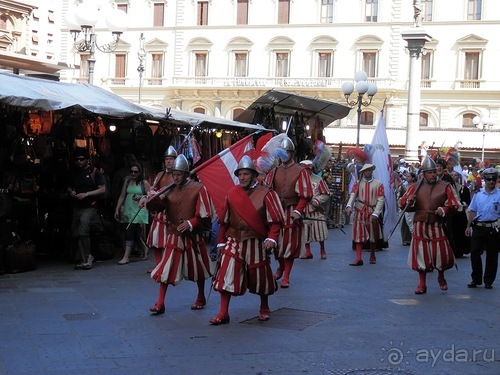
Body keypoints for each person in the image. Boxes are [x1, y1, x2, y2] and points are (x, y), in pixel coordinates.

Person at [210, 156, 284, 325]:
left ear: (253, 174)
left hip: (256, 241)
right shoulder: (232, 193)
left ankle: (264, 307)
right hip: (234, 239)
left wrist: (272, 238)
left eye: (245, 174)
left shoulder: (267, 193)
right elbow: (224, 221)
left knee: (260, 276)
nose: (242, 177)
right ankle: (223, 312)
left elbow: (276, 221)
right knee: (226, 274)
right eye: (240, 174)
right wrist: (221, 241)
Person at [149, 154, 214, 315]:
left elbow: (206, 214)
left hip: (193, 235)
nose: (176, 177)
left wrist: (192, 222)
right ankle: (160, 302)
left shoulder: (199, 188)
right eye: (174, 174)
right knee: (166, 268)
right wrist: (149, 200)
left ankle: (200, 296)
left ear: (186, 174)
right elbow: (159, 206)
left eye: (179, 174)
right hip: (174, 234)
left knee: (198, 267)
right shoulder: (168, 188)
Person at [399, 156, 461, 294]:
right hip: (420, 223)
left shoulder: (445, 186)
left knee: (440, 253)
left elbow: (455, 205)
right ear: (424, 174)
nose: (433, 174)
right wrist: (409, 201)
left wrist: (444, 209)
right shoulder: (415, 187)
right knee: (421, 254)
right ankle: (422, 284)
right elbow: (403, 205)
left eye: (434, 172)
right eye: (430, 172)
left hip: (436, 223)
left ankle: (441, 275)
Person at [264, 136, 313, 288]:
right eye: (282, 152)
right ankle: (280, 266)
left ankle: (286, 276)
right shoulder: (274, 171)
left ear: (292, 153)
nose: (284, 155)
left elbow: (305, 194)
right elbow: (266, 191)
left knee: (289, 244)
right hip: (276, 211)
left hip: (292, 211)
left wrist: (298, 211)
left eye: (287, 152)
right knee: (276, 243)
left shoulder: (300, 171)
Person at [67, 148, 106, 270]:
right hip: (77, 206)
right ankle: (84, 258)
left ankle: (88, 256)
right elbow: (69, 186)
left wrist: (87, 194)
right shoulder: (75, 172)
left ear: (87, 160)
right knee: (76, 231)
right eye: (77, 159)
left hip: (90, 206)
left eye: (81, 159)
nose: (78, 162)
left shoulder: (95, 172)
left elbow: (102, 189)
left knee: (83, 228)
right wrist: (71, 192)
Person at [142, 146, 177, 270]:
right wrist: (147, 198)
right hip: (160, 212)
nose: (168, 161)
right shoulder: (160, 175)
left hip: (173, 212)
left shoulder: (179, 175)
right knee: (157, 240)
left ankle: (168, 265)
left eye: (171, 159)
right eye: (167, 159)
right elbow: (153, 190)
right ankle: (158, 265)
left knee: (170, 242)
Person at [465, 167, 500, 289]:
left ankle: (488, 281)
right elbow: (473, 211)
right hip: (479, 227)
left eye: (493, 179)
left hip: (493, 228)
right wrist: (468, 226)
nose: (491, 181)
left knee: (492, 255)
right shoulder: (478, 195)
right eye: (489, 179)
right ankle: (476, 279)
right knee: (474, 253)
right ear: (485, 179)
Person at [345, 164, 385, 266]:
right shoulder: (357, 183)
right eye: (366, 170)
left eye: (369, 170)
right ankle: (358, 258)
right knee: (358, 234)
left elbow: (381, 200)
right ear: (363, 172)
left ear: (372, 171)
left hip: (372, 211)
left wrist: (376, 213)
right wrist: (349, 205)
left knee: (372, 235)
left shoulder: (378, 183)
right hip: (360, 210)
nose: (368, 172)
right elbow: (353, 195)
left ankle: (372, 254)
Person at [114, 162, 151, 264]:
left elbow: (151, 196)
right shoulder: (127, 181)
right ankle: (144, 248)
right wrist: (117, 209)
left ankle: (126, 257)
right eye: (131, 171)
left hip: (139, 210)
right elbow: (122, 196)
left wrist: (140, 197)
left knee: (129, 231)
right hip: (128, 209)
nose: (133, 174)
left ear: (140, 172)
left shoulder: (144, 183)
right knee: (133, 231)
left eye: (136, 172)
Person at [300, 160, 330, 260]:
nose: (306, 171)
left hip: (317, 209)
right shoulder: (298, 180)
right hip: (304, 209)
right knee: (305, 232)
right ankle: (308, 252)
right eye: (304, 169)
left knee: (320, 230)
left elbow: (326, 194)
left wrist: (317, 200)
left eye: (308, 169)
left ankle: (322, 250)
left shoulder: (318, 180)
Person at [450, 170, 471, 257]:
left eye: (455, 175)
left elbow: (468, 201)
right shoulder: (448, 188)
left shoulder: (464, 188)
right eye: (452, 175)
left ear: (458, 177)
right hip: (451, 212)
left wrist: (461, 203)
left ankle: (460, 250)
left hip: (461, 213)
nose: (454, 176)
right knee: (452, 230)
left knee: (460, 231)